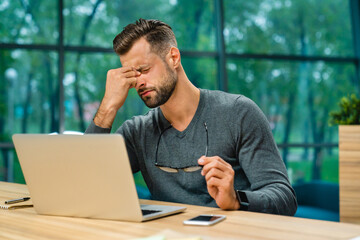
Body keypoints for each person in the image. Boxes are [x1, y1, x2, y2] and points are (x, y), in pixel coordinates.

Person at [85, 18, 297, 215]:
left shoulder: (238, 112)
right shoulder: (137, 132)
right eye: (130, 75)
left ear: (174, 58)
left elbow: (284, 198)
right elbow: (85, 184)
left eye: (144, 69)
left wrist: (237, 200)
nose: (137, 82)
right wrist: (108, 107)